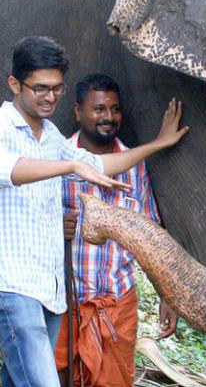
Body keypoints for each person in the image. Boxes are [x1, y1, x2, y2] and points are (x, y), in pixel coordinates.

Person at [0, 37, 188, 387]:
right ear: (14, 84)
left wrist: (156, 145)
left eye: (56, 88)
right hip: (11, 286)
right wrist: (68, 164)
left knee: (18, 380)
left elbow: (99, 163)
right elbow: (3, 170)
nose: (49, 96)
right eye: (39, 88)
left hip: (49, 291)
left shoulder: (50, 137)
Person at [55, 74, 180, 387]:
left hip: (116, 303)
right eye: (99, 109)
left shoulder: (135, 166)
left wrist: (169, 294)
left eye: (114, 109)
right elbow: (27, 223)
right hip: (61, 301)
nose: (108, 117)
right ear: (77, 112)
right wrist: (55, 228)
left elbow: (149, 233)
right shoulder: (55, 159)